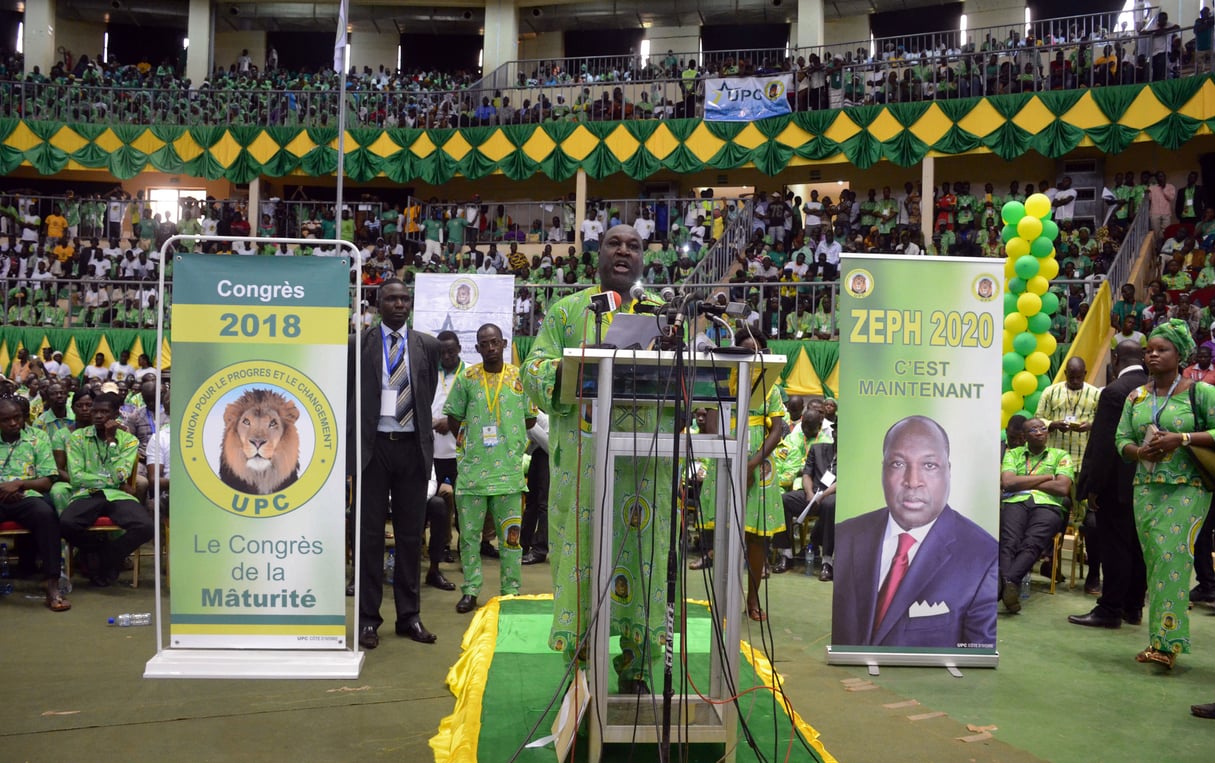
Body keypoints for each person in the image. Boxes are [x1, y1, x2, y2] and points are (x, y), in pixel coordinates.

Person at [522, 223, 672, 694]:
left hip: (646, 470)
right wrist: (577, 361)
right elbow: (533, 370)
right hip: (584, 468)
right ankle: (581, 671)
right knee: (583, 559)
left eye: (633, 246)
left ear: (643, 258)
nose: (623, 252)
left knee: (643, 561)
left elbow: (692, 376)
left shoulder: (664, 315)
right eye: (614, 244)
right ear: (598, 254)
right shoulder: (569, 311)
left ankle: (637, 673)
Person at [832, 416, 998, 649]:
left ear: (948, 471)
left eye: (929, 465)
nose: (912, 481)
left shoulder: (983, 556)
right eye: (898, 464)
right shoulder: (847, 535)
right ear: (883, 470)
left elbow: (977, 657)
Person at [1115, 319, 1215, 669]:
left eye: (1162, 350)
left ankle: (1168, 642)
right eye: (1149, 350)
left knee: (1173, 559)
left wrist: (1182, 438)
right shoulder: (1137, 396)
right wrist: (1139, 452)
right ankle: (1159, 637)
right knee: (1157, 559)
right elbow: (1121, 439)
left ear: (1180, 354)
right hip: (1146, 488)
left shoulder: (1198, 393)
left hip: (1188, 488)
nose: (1153, 355)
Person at [347, 278, 441, 650]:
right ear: (378, 303)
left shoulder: (427, 346)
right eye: (392, 299)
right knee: (368, 536)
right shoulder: (358, 344)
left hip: (411, 448)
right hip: (372, 450)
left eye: (405, 299)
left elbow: (427, 392)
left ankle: (409, 616)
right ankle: (368, 620)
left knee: (409, 536)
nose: (400, 304)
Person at [445, 323, 536, 614]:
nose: (491, 347)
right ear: (478, 347)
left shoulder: (519, 378)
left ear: (504, 343)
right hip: (473, 472)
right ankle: (471, 590)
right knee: (469, 537)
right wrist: (471, 445)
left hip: (508, 474)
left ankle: (510, 591)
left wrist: (508, 441)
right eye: (484, 343)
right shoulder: (467, 378)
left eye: (495, 342)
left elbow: (530, 419)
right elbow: (453, 418)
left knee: (511, 537)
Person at [1070, 340, 1148, 629]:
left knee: (1114, 547)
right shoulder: (1151, 388)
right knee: (1138, 547)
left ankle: (1110, 608)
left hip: (1115, 486)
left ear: (1115, 359)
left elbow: (1103, 445)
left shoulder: (1114, 392)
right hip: (1145, 482)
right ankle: (1134, 607)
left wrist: (1092, 486)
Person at [58, 392, 153, 588]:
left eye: (104, 412)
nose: (98, 416)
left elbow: (121, 474)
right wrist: (112, 480)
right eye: (95, 411)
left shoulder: (128, 440)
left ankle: (108, 556)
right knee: (66, 523)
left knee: (146, 526)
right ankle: (96, 548)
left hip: (117, 495)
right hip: (87, 494)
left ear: (116, 415)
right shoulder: (77, 437)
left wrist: (111, 441)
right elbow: (76, 477)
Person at [0, 395, 70, 611]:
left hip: (27, 497)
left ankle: (51, 585)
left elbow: (48, 480)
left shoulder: (37, 439)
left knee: (46, 516)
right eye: (6, 419)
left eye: (17, 418)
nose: (13, 423)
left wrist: (19, 484)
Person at [997, 418, 1074, 613]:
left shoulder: (1061, 455)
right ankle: (1010, 588)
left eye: (1042, 429)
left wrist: (1026, 481)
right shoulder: (1013, 454)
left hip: (1048, 505)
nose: (1039, 432)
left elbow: (1062, 487)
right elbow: (1008, 482)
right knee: (1009, 542)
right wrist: (1047, 477)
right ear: (1024, 437)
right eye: (1033, 430)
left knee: (1032, 544)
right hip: (1016, 501)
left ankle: (1007, 584)